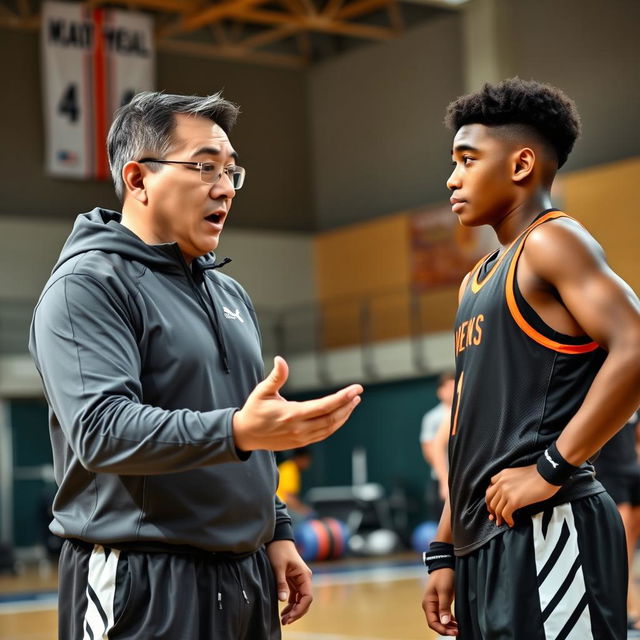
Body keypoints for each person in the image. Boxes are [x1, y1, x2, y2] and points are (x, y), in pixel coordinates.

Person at [29, 91, 363, 640]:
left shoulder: (228, 292)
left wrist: (276, 530)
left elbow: (245, 435)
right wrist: (237, 429)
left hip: (247, 574)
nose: (225, 186)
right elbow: (101, 430)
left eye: (232, 171)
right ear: (138, 179)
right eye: (205, 166)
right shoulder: (86, 285)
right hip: (141, 578)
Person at [421, 78, 640, 639]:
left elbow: (636, 345)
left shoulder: (552, 241)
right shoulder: (475, 279)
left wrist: (550, 470)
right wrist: (446, 545)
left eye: (467, 160)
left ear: (521, 164)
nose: (452, 178)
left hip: (550, 522)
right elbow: (468, 430)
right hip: (486, 538)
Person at [593, 410, 640, 629]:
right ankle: (624, 609)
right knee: (617, 545)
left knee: (628, 545)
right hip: (608, 469)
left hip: (632, 466)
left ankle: (631, 605)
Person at [420, 371, 455, 513]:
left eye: (455, 387)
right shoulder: (433, 418)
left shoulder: (468, 412)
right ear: (440, 392)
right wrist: (444, 479)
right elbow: (430, 449)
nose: (453, 391)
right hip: (443, 479)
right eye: (449, 388)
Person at [276, 448, 314, 526]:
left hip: (279, 507)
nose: (308, 463)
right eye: (307, 459)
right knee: (301, 519)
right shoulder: (289, 469)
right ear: (300, 458)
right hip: (278, 509)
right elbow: (289, 499)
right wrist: (304, 510)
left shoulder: (290, 468)